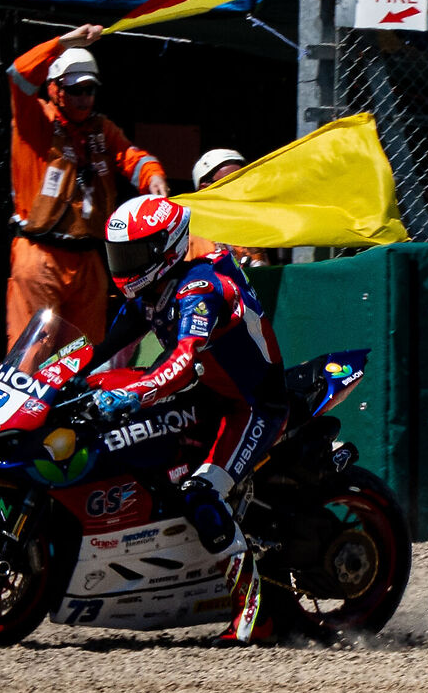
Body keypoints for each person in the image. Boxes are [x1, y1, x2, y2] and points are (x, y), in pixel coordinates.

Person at [80, 194, 289, 645]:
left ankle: (255, 612)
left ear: (165, 248)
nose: (124, 264)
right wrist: (52, 376)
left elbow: (182, 360)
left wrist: (133, 394)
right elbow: (96, 347)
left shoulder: (198, 286)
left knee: (200, 492)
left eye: (134, 254)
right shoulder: (148, 292)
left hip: (254, 404)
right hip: (211, 395)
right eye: (119, 253)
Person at [5, 24, 167, 349]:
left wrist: (154, 177)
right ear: (55, 89)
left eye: (90, 90)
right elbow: (18, 75)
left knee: (83, 357)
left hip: (88, 260)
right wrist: (62, 43)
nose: (84, 98)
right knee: (29, 355)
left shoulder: (101, 130)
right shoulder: (34, 122)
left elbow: (132, 157)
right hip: (40, 256)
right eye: (76, 89)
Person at [186, 147, 271, 266]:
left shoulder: (250, 228)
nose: (239, 189)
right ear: (205, 188)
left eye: (242, 181)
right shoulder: (191, 236)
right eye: (230, 181)